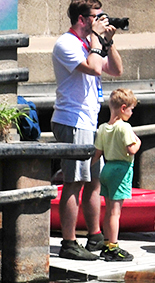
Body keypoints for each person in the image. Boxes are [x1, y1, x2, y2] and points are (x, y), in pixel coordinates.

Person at [52, 0, 123, 262]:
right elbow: (93, 68)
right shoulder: (66, 44)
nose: (102, 20)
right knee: (74, 182)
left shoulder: (89, 43)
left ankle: (95, 236)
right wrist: (95, 39)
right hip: (72, 120)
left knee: (94, 182)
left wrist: (108, 43)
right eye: (97, 16)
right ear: (82, 19)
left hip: (89, 121)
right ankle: (69, 242)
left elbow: (116, 70)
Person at [93, 87, 142, 263]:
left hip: (107, 169)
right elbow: (131, 150)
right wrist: (138, 142)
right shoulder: (124, 127)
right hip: (121, 170)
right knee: (115, 212)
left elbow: (97, 153)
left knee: (108, 211)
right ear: (123, 108)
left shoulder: (102, 128)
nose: (132, 113)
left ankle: (107, 243)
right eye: (131, 109)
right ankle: (113, 248)